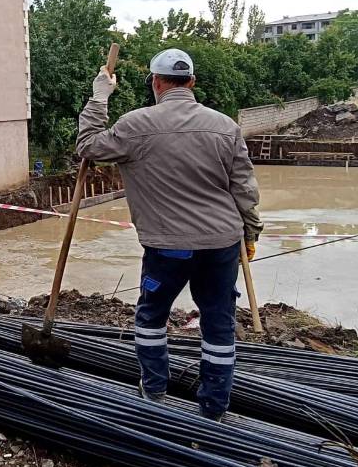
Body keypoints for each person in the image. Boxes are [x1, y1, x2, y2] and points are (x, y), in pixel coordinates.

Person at [76, 48, 263, 421]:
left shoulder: (135, 125)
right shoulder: (226, 126)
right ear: (191, 82)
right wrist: (251, 233)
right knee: (218, 321)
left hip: (168, 247)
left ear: (156, 83)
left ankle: (155, 391)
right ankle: (214, 407)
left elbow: (88, 147)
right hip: (221, 243)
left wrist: (99, 97)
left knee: (151, 316)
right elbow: (244, 189)